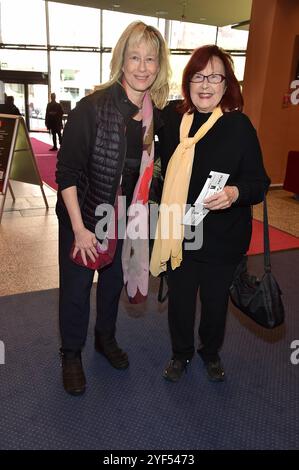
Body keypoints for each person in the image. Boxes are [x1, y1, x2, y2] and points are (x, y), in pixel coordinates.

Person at [56, 21, 170, 395]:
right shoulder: (92, 108)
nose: (142, 67)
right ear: (121, 60)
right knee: (76, 288)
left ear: (159, 66)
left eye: (150, 59)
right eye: (134, 57)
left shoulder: (157, 114)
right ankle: (71, 353)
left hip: (125, 216)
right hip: (84, 213)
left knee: (111, 282)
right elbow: (67, 172)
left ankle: (105, 339)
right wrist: (79, 228)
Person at [150, 45, 270, 383]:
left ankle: (211, 353)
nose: (205, 85)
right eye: (198, 77)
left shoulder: (239, 126)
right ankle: (181, 353)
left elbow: (259, 183)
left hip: (222, 237)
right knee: (181, 304)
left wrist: (235, 193)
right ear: (188, 83)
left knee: (216, 306)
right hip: (181, 234)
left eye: (214, 77)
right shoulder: (173, 119)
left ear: (226, 83)